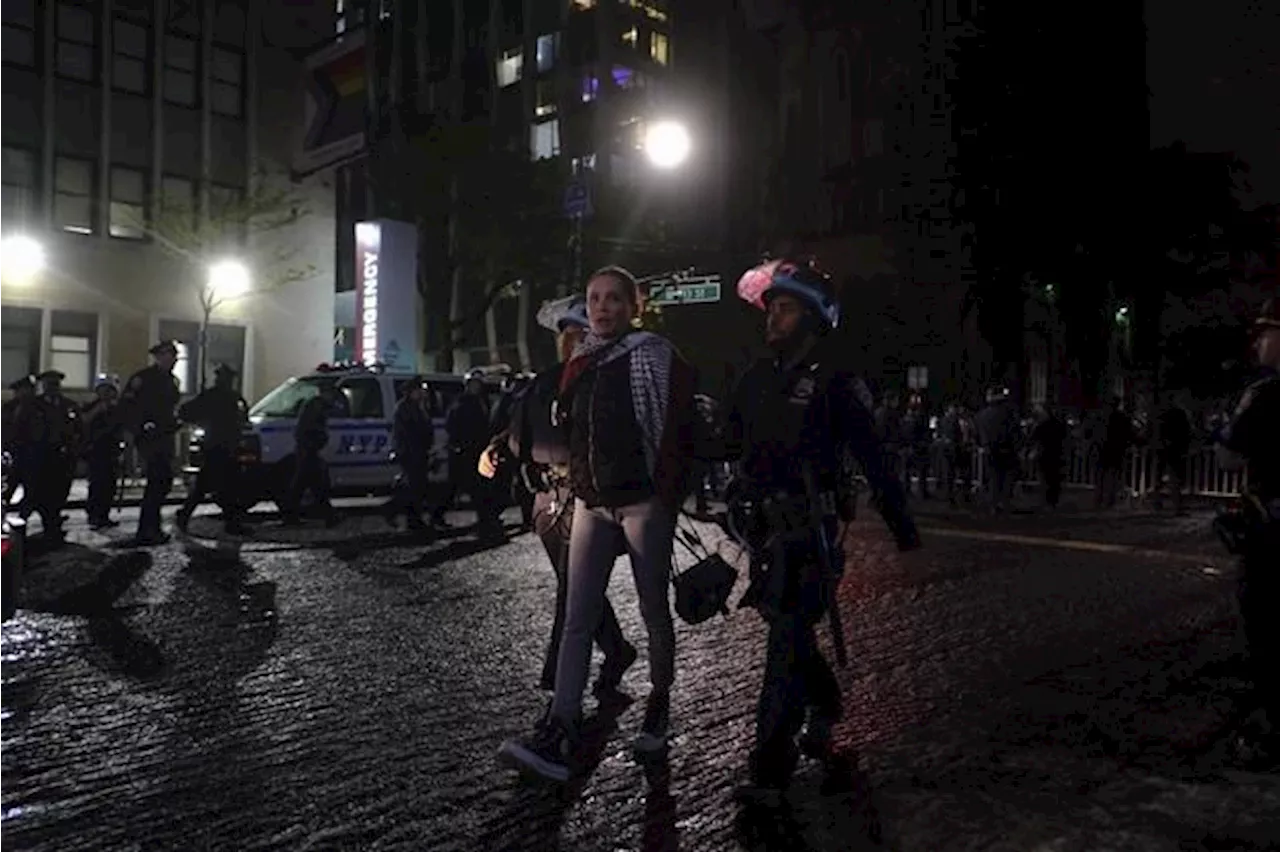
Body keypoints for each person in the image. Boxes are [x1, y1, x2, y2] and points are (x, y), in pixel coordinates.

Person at [711, 258, 920, 806]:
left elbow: (875, 460)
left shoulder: (835, 383)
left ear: (812, 317)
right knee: (791, 636)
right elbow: (721, 442)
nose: (772, 319)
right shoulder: (754, 377)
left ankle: (770, 770)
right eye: (771, 309)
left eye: (784, 309)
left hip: (811, 534)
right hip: (760, 533)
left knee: (784, 644)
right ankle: (826, 706)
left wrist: (905, 534)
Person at [498, 266, 697, 783]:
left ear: (635, 305)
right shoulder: (579, 362)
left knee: (654, 610)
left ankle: (659, 702)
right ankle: (560, 725)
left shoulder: (657, 354)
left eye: (613, 299)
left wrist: (666, 497)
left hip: (642, 505)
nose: (602, 308)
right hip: (591, 504)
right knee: (577, 618)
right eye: (593, 299)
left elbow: (678, 431)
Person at [481, 295, 637, 701]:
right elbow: (519, 429)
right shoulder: (542, 382)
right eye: (565, 333)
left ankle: (558, 687)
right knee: (577, 585)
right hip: (545, 502)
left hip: (585, 499)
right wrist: (497, 448)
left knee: (571, 589)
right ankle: (617, 650)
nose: (570, 341)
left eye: (580, 333)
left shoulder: (607, 383)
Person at [1215, 297, 1280, 766]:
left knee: (1268, 625)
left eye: (1266, 332)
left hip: (1274, 533)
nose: (1257, 342)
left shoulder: (1267, 394)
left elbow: (1230, 454)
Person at [119, 341, 182, 545]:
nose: (171, 359)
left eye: (173, 356)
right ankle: (147, 529)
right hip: (149, 436)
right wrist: (136, 428)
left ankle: (151, 526)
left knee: (163, 482)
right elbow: (127, 404)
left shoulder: (172, 381)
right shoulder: (144, 378)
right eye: (167, 355)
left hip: (165, 435)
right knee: (157, 481)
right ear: (158, 357)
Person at [176, 363, 250, 535]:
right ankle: (229, 523)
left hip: (222, 446)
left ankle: (231, 522)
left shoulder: (222, 396)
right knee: (217, 485)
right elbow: (186, 412)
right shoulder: (220, 396)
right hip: (218, 446)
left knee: (224, 486)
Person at [439, 370, 502, 538]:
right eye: (473, 384)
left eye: (478, 384)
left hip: (479, 451)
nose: (476, 387)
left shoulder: (483, 401)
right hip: (465, 452)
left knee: (477, 488)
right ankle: (485, 521)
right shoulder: (461, 403)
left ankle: (487, 520)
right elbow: (452, 426)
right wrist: (459, 444)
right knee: (467, 488)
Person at [30, 370, 82, 544]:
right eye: (48, 384)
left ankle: (54, 522)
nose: (52, 388)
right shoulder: (33, 406)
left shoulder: (69, 405)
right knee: (42, 493)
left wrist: (76, 449)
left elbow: (79, 428)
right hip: (41, 456)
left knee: (60, 491)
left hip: (63, 457)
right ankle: (50, 525)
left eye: (55, 384)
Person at [283, 383, 340, 527]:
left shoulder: (316, 405)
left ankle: (293, 516)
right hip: (308, 449)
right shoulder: (316, 406)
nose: (332, 397)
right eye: (331, 394)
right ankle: (328, 516)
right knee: (314, 483)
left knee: (306, 483)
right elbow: (311, 428)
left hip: (308, 449)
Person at [384, 377, 435, 534]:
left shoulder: (417, 407)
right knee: (415, 487)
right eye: (418, 390)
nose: (421, 393)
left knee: (417, 487)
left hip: (418, 452)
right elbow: (409, 433)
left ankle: (412, 518)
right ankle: (396, 510)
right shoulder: (405, 408)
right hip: (411, 452)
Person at [82, 375, 123, 530]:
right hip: (96, 451)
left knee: (110, 485)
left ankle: (104, 515)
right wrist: (97, 410)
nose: (107, 394)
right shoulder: (91, 406)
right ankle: (93, 514)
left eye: (110, 390)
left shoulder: (116, 409)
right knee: (97, 484)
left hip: (111, 451)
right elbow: (83, 421)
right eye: (104, 390)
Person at [1156, 396, 1192, 514]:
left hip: (1165, 449)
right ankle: (1176, 505)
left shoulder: (1162, 415)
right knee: (1175, 478)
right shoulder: (1178, 414)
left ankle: (1158, 501)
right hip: (1175, 450)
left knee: (1162, 477)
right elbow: (1185, 432)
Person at [1031, 403, 1067, 509]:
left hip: (1044, 455)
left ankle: (1046, 500)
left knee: (1045, 479)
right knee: (1054, 479)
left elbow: (1034, 438)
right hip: (1055, 454)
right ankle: (1052, 500)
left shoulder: (1041, 425)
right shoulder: (1058, 424)